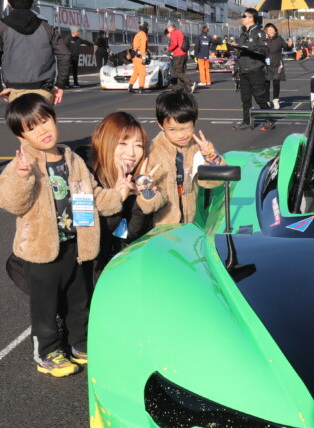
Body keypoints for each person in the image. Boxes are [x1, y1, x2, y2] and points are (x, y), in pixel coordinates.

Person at [0, 94, 127, 376]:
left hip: (76, 247)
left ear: (55, 119)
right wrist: (22, 177)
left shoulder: (73, 159)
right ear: (21, 136)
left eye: (45, 121)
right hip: (42, 253)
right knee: (45, 307)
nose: (42, 131)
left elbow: (93, 196)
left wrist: (119, 194)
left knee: (79, 301)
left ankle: (80, 344)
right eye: (31, 128)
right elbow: (10, 202)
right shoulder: (23, 164)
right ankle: (47, 352)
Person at [87, 111, 164, 278]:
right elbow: (91, 238)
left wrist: (144, 199)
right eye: (123, 143)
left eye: (138, 145)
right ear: (105, 143)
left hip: (121, 272)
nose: (132, 153)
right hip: (89, 277)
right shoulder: (85, 180)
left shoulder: (136, 181)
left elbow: (129, 236)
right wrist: (116, 199)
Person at [146, 89, 226, 225]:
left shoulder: (200, 148)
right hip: (162, 226)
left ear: (195, 120)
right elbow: (149, 201)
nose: (181, 135)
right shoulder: (153, 151)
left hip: (192, 222)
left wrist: (211, 159)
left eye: (186, 128)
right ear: (161, 125)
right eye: (172, 129)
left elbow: (212, 182)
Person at [0, 0, 69, 105]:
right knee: (43, 118)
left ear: (9, 3)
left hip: (14, 91)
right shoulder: (47, 28)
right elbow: (64, 55)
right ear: (32, 3)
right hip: (44, 90)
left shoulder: (0, 29)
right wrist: (60, 84)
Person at [228, 8, 271, 131]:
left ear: (252, 18)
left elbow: (264, 50)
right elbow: (241, 51)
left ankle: (269, 120)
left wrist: (249, 48)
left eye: (244, 16)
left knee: (260, 97)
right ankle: (247, 122)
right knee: (245, 98)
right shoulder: (243, 34)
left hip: (255, 69)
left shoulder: (259, 33)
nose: (242, 18)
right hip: (243, 69)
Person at [263, 22, 289, 109]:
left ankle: (275, 100)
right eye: (269, 30)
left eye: (272, 29)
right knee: (266, 82)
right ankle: (266, 100)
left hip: (277, 62)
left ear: (275, 30)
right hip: (266, 62)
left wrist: (290, 44)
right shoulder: (263, 39)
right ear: (266, 31)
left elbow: (287, 47)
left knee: (276, 81)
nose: (271, 31)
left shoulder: (279, 38)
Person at [165, 21, 190, 90]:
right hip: (184, 53)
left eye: (168, 28)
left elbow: (174, 44)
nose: (168, 30)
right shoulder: (179, 32)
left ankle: (190, 83)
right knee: (181, 71)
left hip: (179, 54)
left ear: (170, 27)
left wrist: (168, 48)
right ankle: (180, 87)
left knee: (177, 71)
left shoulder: (174, 33)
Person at [130, 22, 150, 92]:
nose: (148, 28)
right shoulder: (143, 35)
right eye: (147, 27)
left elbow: (133, 46)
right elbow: (143, 47)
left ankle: (130, 86)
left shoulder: (137, 34)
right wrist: (144, 57)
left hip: (134, 56)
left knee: (136, 72)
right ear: (145, 28)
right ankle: (141, 88)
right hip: (140, 56)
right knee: (142, 73)